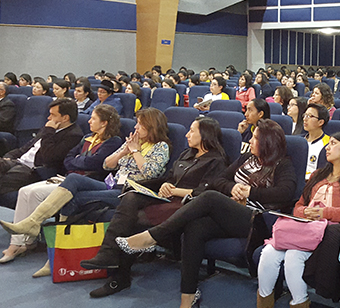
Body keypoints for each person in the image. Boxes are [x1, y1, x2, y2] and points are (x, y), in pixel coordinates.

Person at [114, 119, 296, 308]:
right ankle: (188, 294)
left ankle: (153, 236)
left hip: (257, 221)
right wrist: (232, 188)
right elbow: (220, 181)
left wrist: (250, 192)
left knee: (209, 197)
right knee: (196, 226)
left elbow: (285, 193)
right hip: (230, 213)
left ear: (268, 142)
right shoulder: (246, 158)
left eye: (255, 138)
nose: (251, 141)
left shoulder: (282, 164)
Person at [78, 116, 228, 298]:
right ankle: (108, 254)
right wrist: (165, 185)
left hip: (188, 206)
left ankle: (118, 276)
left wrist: (175, 190)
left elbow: (207, 193)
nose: (187, 135)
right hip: (168, 198)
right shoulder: (187, 154)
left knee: (133, 220)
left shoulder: (216, 161)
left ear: (204, 135)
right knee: (131, 197)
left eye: (192, 131)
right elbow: (171, 177)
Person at [258, 132, 340, 308]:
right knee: (268, 253)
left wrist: (324, 213)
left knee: (294, 256)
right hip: (303, 228)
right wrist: (305, 214)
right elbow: (299, 206)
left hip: (327, 233)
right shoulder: (319, 174)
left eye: (333, 144)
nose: (327, 147)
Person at [0, 105, 123, 263]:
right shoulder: (87, 137)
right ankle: (24, 242)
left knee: (36, 193)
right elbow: (68, 160)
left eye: (93, 118)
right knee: (25, 191)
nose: (89, 121)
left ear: (104, 123)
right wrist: (78, 161)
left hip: (88, 181)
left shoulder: (113, 141)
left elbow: (95, 163)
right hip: (67, 177)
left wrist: (77, 161)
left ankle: (20, 240)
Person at [0, 99, 82, 196]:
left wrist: (49, 131)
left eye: (53, 115)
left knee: (4, 181)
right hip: (19, 161)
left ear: (65, 118)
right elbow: (26, 148)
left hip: (34, 170)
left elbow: (49, 157)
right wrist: (9, 156)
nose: (49, 117)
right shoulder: (49, 128)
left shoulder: (73, 135)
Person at [303, 103, 330, 179]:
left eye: (310, 116)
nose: (305, 119)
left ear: (320, 122)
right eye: (305, 115)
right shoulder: (299, 141)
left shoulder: (329, 143)